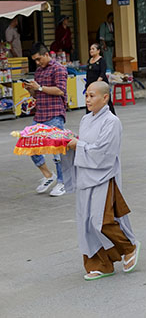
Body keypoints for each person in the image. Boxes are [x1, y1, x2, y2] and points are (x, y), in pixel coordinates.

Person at [61, 81, 139, 281]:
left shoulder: (112, 121)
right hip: (85, 176)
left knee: (102, 221)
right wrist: (70, 142)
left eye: (92, 95)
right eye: (86, 95)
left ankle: (128, 248)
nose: (88, 99)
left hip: (103, 176)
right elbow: (86, 144)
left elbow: (104, 152)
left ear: (105, 98)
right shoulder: (86, 119)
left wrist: (79, 145)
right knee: (86, 222)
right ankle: (102, 265)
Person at [23, 43, 69, 197]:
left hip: (55, 114)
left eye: (38, 59)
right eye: (34, 60)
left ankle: (63, 183)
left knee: (57, 151)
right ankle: (49, 176)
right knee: (29, 143)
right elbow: (37, 95)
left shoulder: (59, 69)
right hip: (40, 114)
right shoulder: (38, 71)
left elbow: (60, 90)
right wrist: (31, 90)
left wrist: (40, 88)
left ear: (46, 54)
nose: (37, 63)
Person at [85, 43, 115, 114]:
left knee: (105, 101)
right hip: (90, 84)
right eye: (90, 49)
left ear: (98, 51)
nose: (91, 51)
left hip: (100, 84)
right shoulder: (89, 60)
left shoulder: (102, 60)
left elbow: (102, 73)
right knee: (89, 101)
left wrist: (96, 84)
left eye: (93, 49)